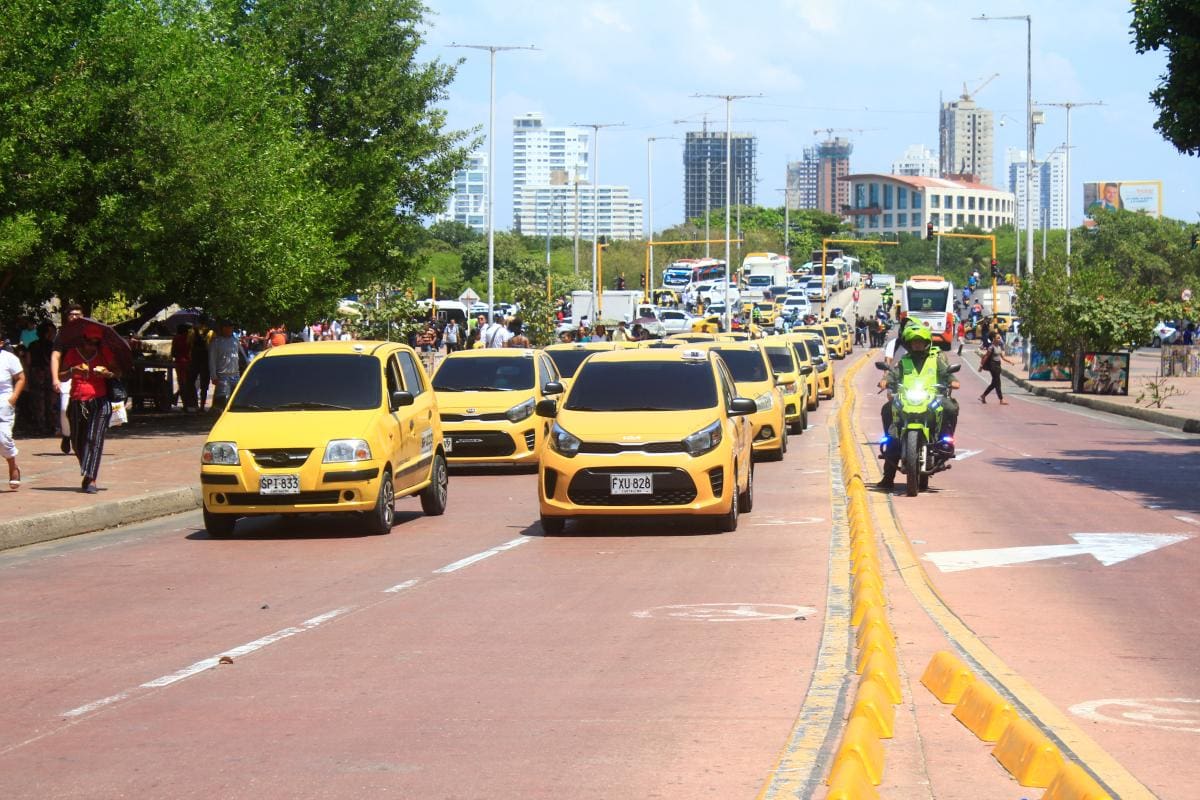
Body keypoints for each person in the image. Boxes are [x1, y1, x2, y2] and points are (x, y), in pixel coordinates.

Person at [878, 325, 960, 488]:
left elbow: (947, 374)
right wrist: (886, 380)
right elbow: (894, 374)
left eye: (920, 342)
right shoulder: (904, 361)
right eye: (914, 342)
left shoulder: (935, 361)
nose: (917, 345)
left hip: (931, 398)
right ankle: (888, 476)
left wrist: (952, 380)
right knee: (887, 410)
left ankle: (946, 440)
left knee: (950, 408)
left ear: (926, 343)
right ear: (909, 344)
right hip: (908, 398)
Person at [60, 324, 120, 494]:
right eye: (89, 343)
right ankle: (88, 470)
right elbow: (61, 375)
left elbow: (117, 371)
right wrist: (73, 370)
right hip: (77, 401)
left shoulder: (104, 353)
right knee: (78, 442)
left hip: (100, 401)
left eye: (95, 343)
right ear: (83, 341)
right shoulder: (72, 354)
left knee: (94, 439)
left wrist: (107, 373)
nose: (91, 347)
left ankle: (91, 478)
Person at [1, 324, 26, 489]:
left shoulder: (9, 358)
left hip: (3, 402)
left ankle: (12, 465)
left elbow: (21, 378)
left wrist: (13, 398)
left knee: (2, 437)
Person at [208, 319, 245, 411]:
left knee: (235, 397)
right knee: (222, 397)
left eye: (231, 327)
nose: (229, 329)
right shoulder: (216, 342)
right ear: (223, 329)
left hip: (235, 374)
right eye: (227, 327)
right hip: (222, 375)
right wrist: (213, 376)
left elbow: (243, 355)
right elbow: (212, 360)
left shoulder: (235, 341)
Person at [979, 333, 1014, 404]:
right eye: (998, 338)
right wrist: (981, 366)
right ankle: (1001, 399)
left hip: (998, 366)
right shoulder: (991, 347)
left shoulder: (999, 347)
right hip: (993, 366)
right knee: (998, 382)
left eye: (999, 338)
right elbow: (986, 357)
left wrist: (1009, 361)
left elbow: (1002, 357)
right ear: (994, 339)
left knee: (994, 383)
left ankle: (983, 395)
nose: (999, 339)